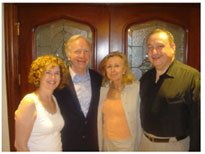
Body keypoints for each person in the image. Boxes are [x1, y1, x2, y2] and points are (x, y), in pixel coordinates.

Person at [139, 29, 200, 151]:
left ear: (173, 47)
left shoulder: (192, 77)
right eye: (150, 47)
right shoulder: (145, 78)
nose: (154, 52)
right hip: (145, 144)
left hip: (174, 146)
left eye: (160, 46)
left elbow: (199, 123)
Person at [54, 35, 102, 151]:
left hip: (94, 144)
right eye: (77, 51)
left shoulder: (98, 79)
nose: (82, 56)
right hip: (67, 145)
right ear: (68, 55)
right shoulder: (57, 80)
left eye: (86, 51)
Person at [15, 55, 68, 151]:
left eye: (57, 73)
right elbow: (19, 145)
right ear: (39, 75)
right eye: (48, 72)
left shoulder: (54, 99)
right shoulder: (30, 103)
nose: (53, 77)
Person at [97, 51, 142, 151]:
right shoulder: (103, 90)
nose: (113, 70)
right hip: (106, 142)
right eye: (109, 67)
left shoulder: (136, 88)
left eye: (117, 66)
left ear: (124, 69)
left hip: (127, 144)